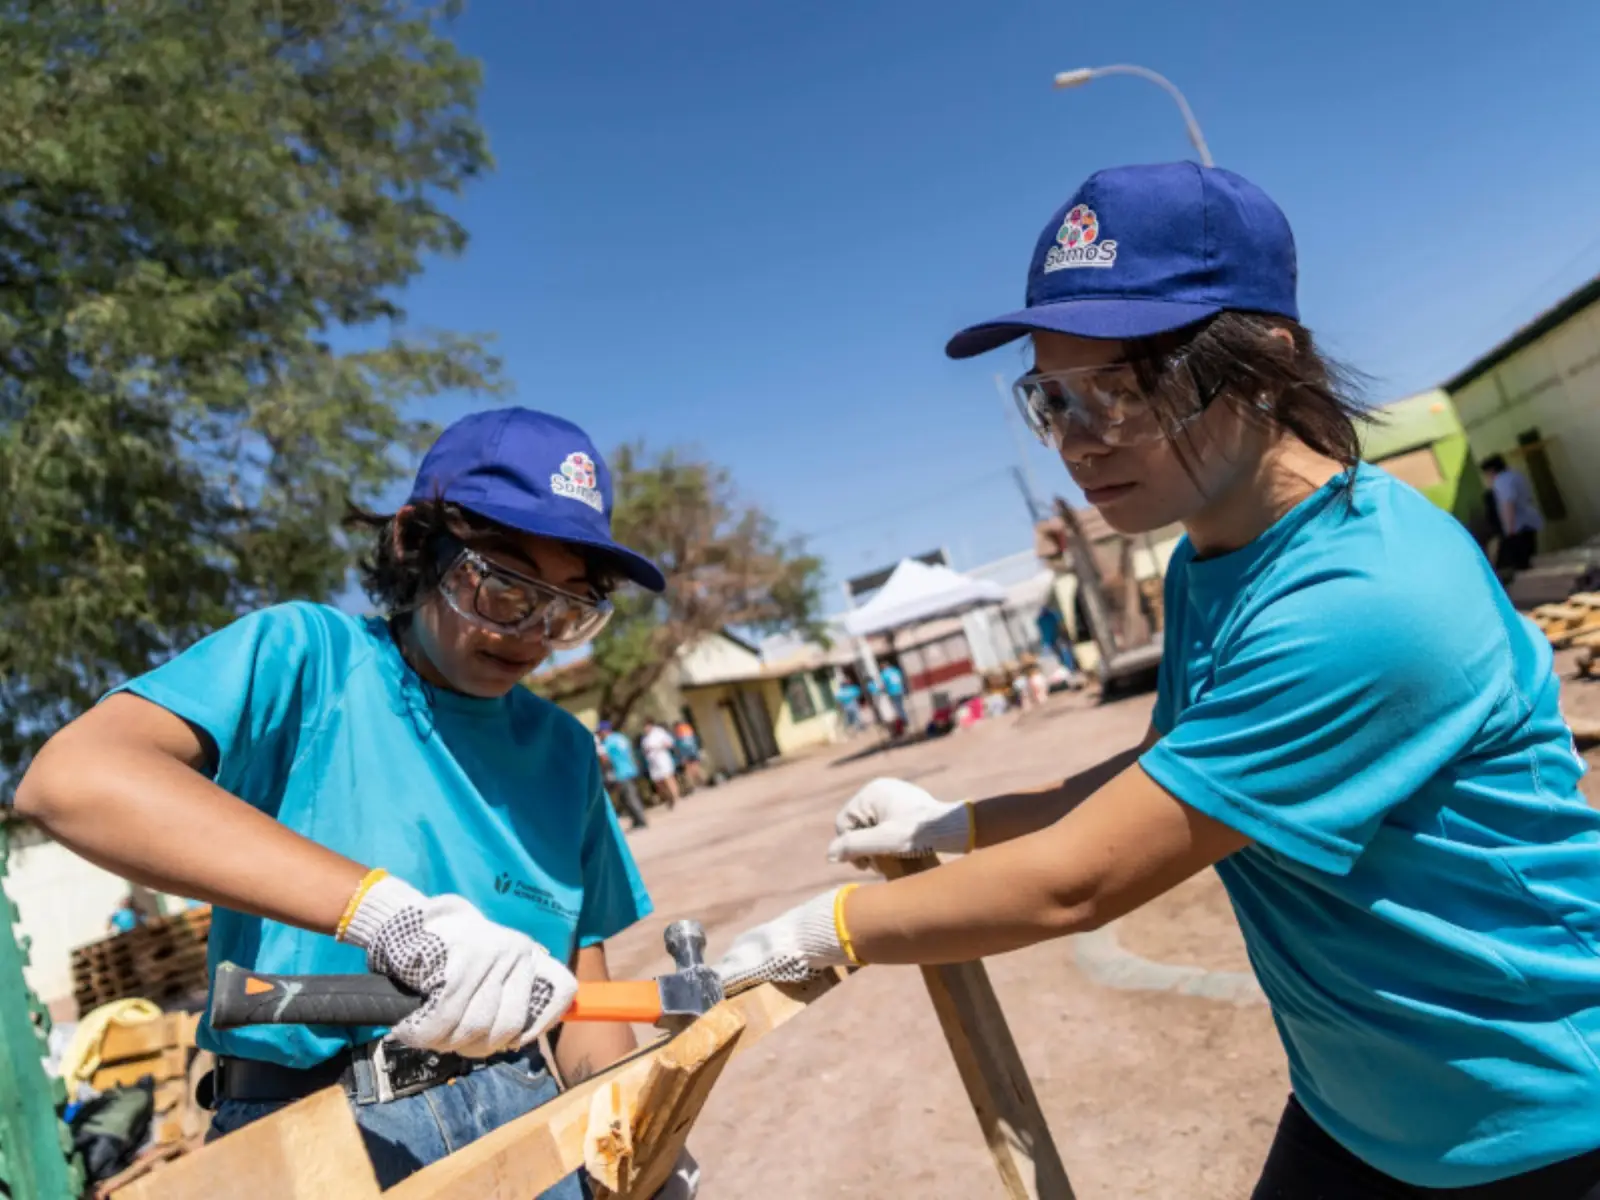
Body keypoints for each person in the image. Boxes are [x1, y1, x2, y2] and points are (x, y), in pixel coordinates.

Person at [715, 163, 1600, 1198]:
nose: (1078, 445)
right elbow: (1164, 771)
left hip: (1532, 1120)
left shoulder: (1369, 598)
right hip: (1356, 1110)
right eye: (1052, 398)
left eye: (1126, 391)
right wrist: (955, 822)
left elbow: (1078, 882)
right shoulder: (1206, 559)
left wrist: (820, 934)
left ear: (1267, 363)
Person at [16, 407, 697, 1198]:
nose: (530, 634)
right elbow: (72, 780)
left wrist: (629, 1135)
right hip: (316, 1134)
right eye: (503, 587)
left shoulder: (563, 753)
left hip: (529, 1120)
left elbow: (581, 1002)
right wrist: (380, 914)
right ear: (416, 543)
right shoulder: (308, 660)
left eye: (567, 608)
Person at [1481, 453, 1544, 578]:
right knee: (1529, 557)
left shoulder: (1502, 481)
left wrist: (1509, 529)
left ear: (1491, 471)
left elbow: (1507, 504)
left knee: (1520, 563)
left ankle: (1528, 585)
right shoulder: (1515, 475)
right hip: (1529, 521)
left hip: (1517, 526)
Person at [597, 721, 650, 830]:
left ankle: (640, 820)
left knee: (629, 797)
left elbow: (605, 759)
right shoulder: (620, 737)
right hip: (630, 769)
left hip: (620, 772)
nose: (599, 734)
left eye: (600, 732)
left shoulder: (607, 742)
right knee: (630, 795)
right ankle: (636, 820)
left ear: (605, 731)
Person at [641, 720, 679, 811]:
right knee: (659, 783)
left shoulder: (659, 732)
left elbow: (669, 743)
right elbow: (644, 751)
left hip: (663, 760)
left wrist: (659, 747)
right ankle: (668, 797)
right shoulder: (645, 739)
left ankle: (675, 798)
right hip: (653, 763)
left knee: (668, 779)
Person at [672, 720, 706, 790]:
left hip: (686, 754)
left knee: (690, 771)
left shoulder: (679, 733)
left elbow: (678, 746)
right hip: (693, 752)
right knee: (695, 769)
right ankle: (702, 783)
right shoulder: (688, 730)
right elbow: (694, 741)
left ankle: (697, 785)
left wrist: (680, 757)